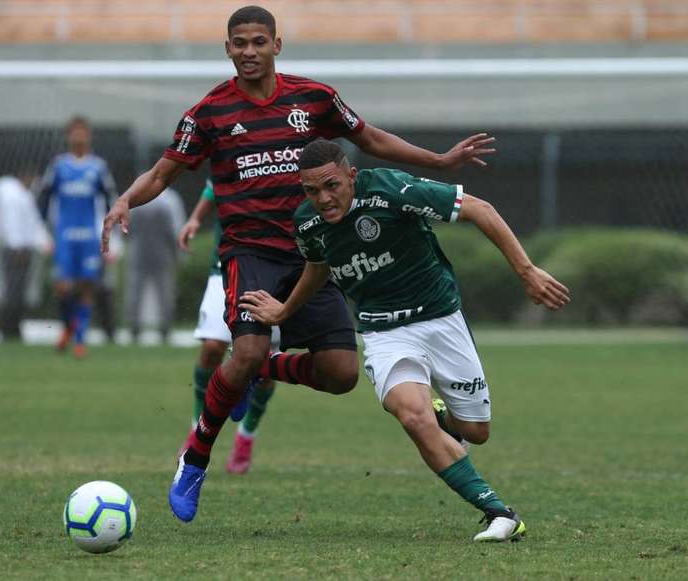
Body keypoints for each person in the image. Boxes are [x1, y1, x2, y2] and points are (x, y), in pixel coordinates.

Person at [101, 5, 494, 523]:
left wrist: (439, 161)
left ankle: (250, 372)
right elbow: (163, 171)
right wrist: (128, 198)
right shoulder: (209, 114)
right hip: (250, 254)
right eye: (238, 43)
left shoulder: (313, 99)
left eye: (258, 42)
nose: (248, 52)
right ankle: (195, 455)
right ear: (227, 49)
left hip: (315, 253)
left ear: (276, 46)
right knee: (245, 347)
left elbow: (371, 139)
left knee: (341, 373)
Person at [239, 139, 570, 541]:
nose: (323, 199)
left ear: (351, 176)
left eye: (332, 186)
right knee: (413, 417)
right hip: (383, 333)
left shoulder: (391, 191)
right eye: (312, 191)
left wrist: (528, 271)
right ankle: (499, 512)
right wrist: (283, 311)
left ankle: (441, 412)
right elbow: (318, 266)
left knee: (476, 430)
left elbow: (481, 209)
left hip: (441, 321)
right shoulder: (308, 223)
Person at [178, 178, 278, 473]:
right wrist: (195, 219)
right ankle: (198, 427)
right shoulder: (232, 143)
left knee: (265, 361)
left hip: (272, 266)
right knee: (212, 347)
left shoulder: (286, 146)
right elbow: (212, 186)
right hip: (225, 265)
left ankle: (246, 437)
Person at [40, 116, 117, 358]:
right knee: (63, 287)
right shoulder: (58, 166)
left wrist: (110, 238)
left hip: (88, 237)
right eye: (74, 132)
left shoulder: (98, 167)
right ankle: (69, 326)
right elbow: (42, 200)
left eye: (82, 132)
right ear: (68, 136)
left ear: (89, 135)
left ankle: (80, 341)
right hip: (64, 235)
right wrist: (44, 234)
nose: (78, 137)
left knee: (86, 286)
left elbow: (110, 202)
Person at [0, 169, 52, 340]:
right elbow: (11, 223)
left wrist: (44, 242)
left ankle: (12, 328)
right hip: (15, 251)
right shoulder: (12, 195)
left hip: (20, 249)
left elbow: (32, 223)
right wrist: (17, 247)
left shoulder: (22, 195)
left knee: (15, 292)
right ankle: (9, 329)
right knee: (12, 293)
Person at [125, 186, 186, 343]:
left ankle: (134, 327)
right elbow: (173, 232)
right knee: (164, 292)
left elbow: (128, 230)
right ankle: (164, 328)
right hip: (161, 254)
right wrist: (177, 255)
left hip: (139, 253)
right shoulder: (168, 202)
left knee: (135, 291)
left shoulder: (137, 199)